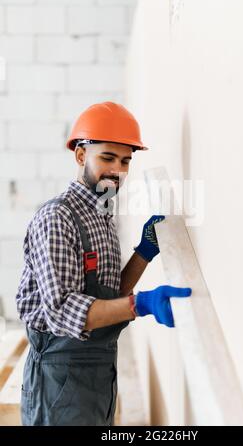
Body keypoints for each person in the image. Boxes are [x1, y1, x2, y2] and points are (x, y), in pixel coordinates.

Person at [16, 101, 192, 426]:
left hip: (99, 372)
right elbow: (61, 312)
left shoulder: (103, 214)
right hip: (59, 377)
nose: (117, 171)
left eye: (126, 161)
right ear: (81, 156)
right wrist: (143, 304)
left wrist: (144, 253)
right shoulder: (58, 218)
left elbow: (110, 296)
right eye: (107, 158)